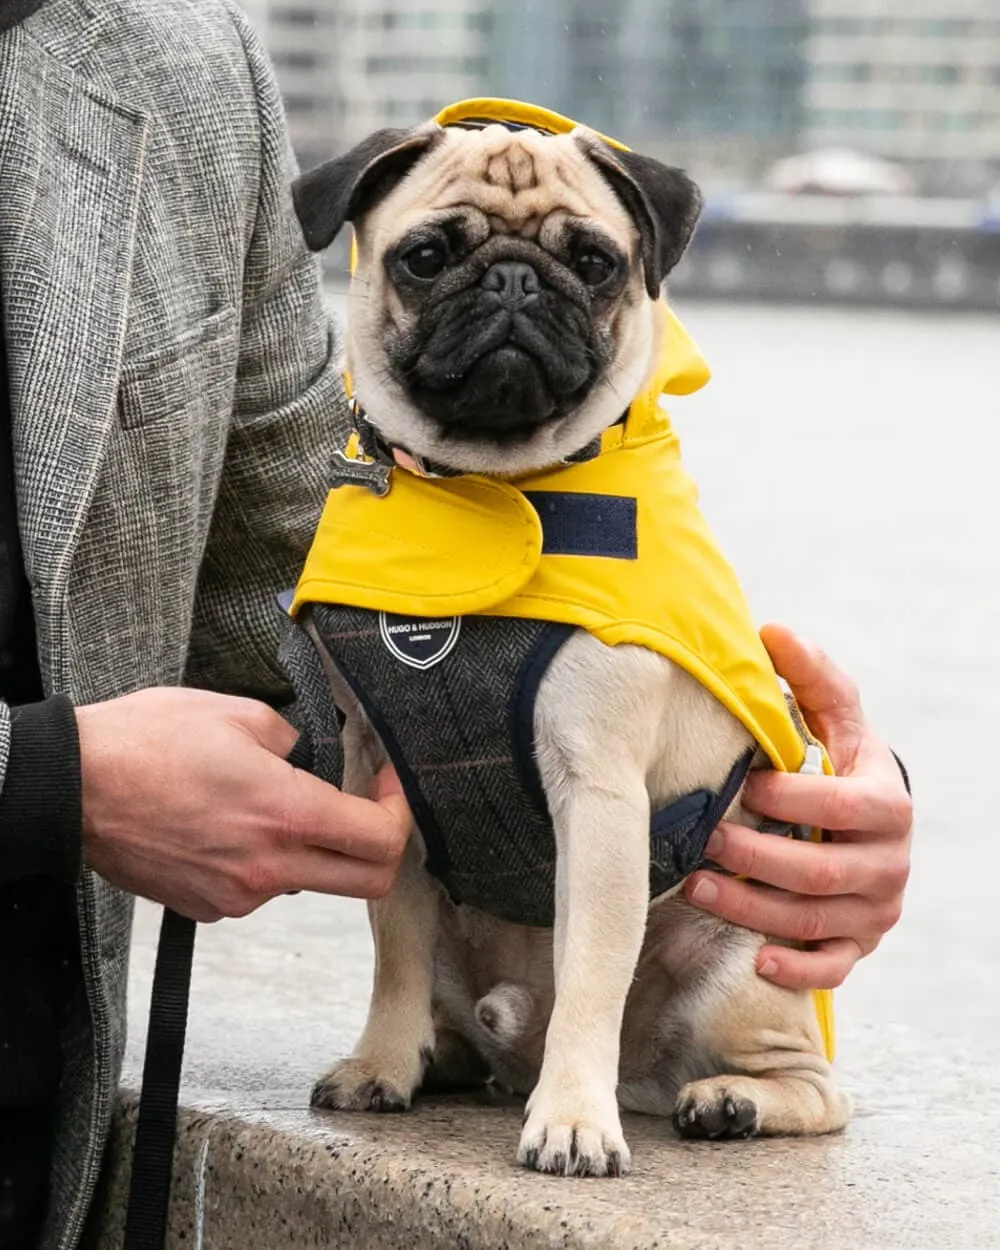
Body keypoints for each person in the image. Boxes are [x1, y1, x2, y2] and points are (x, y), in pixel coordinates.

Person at [0, 3, 912, 1248]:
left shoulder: (182, 66)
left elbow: (292, 612)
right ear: (368, 246)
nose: (512, 292)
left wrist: (810, 807)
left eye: (579, 267)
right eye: (439, 260)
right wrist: (42, 776)